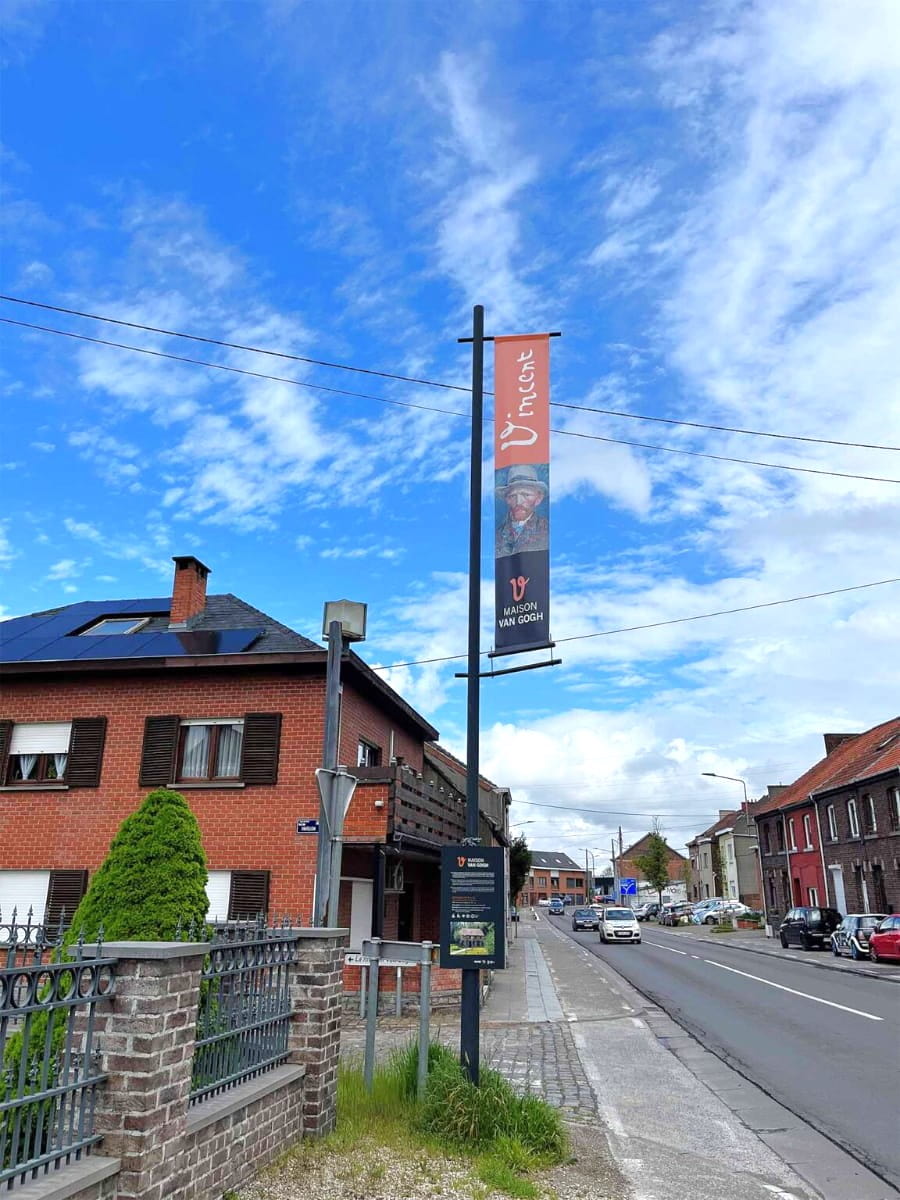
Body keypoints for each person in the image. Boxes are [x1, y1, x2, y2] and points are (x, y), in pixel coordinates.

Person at [495, 464, 549, 557]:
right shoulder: (495, 536)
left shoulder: (548, 530)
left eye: (526, 495)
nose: (518, 502)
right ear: (507, 499)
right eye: (512, 496)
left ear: (538, 498)